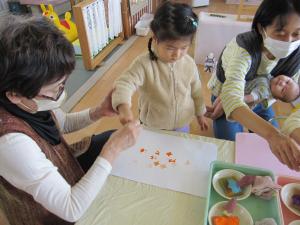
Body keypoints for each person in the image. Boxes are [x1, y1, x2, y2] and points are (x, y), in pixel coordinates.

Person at [0, 16, 141, 224]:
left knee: (109, 140)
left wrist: (98, 112)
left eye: (63, 83)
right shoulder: (11, 143)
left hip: (61, 168)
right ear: (14, 94)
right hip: (47, 215)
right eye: (54, 90)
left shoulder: (28, 101)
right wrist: (112, 150)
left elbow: (61, 123)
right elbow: (70, 209)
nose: (61, 92)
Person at [205, 0, 300, 170]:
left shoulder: (296, 54)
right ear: (261, 27)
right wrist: (273, 135)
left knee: (268, 150)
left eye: (297, 34)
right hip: (226, 102)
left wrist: (253, 99)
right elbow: (231, 99)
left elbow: (292, 90)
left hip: (261, 103)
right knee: (229, 147)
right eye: (280, 32)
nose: (288, 41)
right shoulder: (243, 49)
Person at [111, 1, 208, 133]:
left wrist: (200, 113)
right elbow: (125, 83)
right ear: (156, 39)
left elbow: (196, 91)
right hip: (153, 125)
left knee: (179, 150)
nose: (177, 54)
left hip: (182, 122)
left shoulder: (189, 63)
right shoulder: (144, 64)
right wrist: (124, 108)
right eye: (170, 48)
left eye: (184, 48)